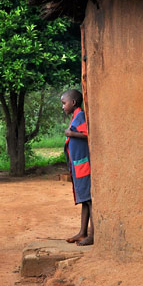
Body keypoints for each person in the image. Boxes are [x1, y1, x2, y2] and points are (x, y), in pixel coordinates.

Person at [62, 89, 94, 246]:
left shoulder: (80, 116)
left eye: (64, 103)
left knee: (89, 200)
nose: (63, 106)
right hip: (78, 165)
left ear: (73, 102)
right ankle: (82, 232)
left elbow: (89, 134)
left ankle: (92, 234)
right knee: (84, 200)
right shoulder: (75, 117)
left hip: (83, 166)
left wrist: (71, 134)